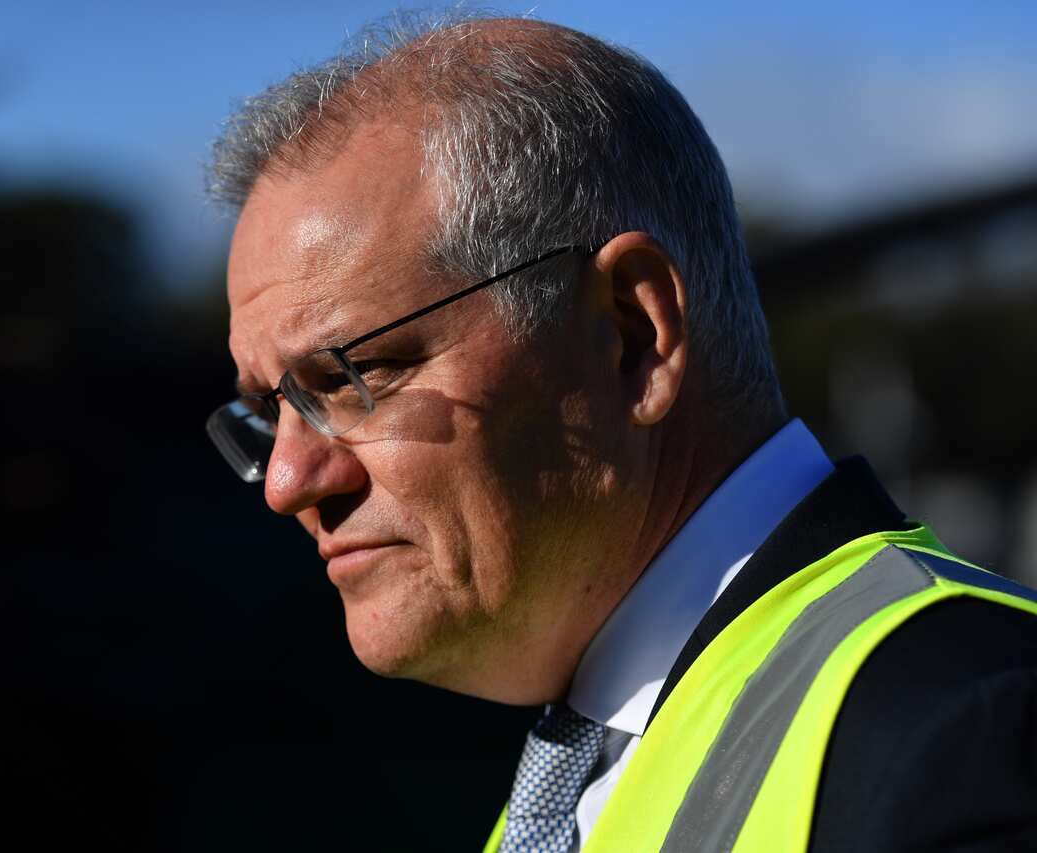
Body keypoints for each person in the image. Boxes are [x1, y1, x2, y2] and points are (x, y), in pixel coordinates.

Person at [203, 15, 1037, 852]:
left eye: (356, 375)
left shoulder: (971, 728)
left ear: (635, 337)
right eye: (270, 409)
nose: (287, 482)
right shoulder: (583, 775)